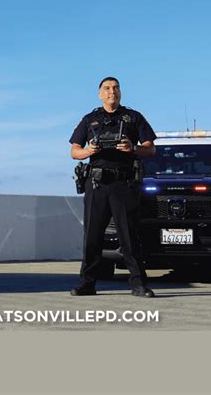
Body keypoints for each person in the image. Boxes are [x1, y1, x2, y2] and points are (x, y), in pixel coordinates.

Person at [69, 76, 157, 297]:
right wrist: (89, 151)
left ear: (121, 92)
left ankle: (138, 284)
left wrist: (132, 148)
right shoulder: (90, 119)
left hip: (123, 184)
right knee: (92, 236)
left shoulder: (133, 117)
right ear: (100, 94)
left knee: (129, 236)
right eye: (107, 88)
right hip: (97, 184)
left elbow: (150, 149)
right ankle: (87, 284)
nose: (112, 91)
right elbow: (74, 151)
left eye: (116, 88)